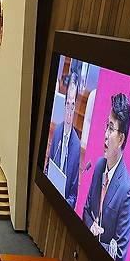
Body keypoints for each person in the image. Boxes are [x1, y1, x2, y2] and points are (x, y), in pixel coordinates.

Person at [82, 93, 130, 261]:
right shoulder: (98, 166)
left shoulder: (126, 189)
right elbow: (86, 211)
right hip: (83, 255)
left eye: (111, 129)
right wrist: (91, 228)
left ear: (121, 139)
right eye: (107, 126)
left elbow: (120, 253)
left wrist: (96, 241)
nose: (105, 134)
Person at [47, 72, 82, 208]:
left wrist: (63, 205)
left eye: (72, 106)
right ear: (64, 104)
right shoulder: (57, 131)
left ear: (75, 107)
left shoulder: (76, 146)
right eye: (68, 104)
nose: (69, 111)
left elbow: (73, 195)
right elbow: (47, 169)